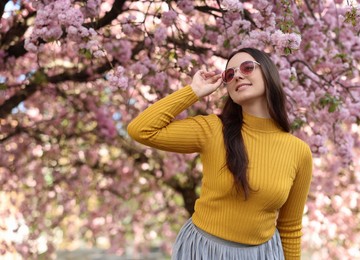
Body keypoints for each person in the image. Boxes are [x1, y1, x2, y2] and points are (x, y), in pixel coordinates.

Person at [127, 48, 312, 260]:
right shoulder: (213, 129)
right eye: (230, 74)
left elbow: (290, 228)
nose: (238, 75)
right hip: (204, 251)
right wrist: (194, 91)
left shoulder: (299, 151)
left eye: (247, 68)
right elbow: (141, 129)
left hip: (263, 254)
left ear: (268, 74)